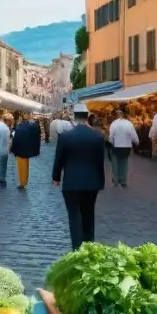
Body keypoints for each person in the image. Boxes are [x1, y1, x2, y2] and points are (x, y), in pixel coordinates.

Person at [52, 103, 106, 250]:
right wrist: (101, 181)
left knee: (74, 217)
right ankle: (89, 247)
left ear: (74, 117)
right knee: (89, 215)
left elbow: (59, 159)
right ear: (87, 117)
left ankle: (77, 248)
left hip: (71, 183)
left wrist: (56, 177)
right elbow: (100, 162)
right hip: (91, 183)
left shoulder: (66, 137)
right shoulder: (97, 137)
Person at [108, 109, 139, 188]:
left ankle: (116, 179)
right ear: (124, 115)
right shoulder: (128, 123)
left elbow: (111, 136)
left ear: (116, 115)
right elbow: (133, 134)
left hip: (116, 146)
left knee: (115, 163)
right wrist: (136, 142)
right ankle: (123, 180)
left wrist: (111, 143)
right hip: (126, 146)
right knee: (124, 163)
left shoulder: (113, 123)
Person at [12, 112, 42, 190]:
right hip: (27, 149)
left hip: (20, 149)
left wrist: (13, 148)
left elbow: (16, 139)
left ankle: (22, 183)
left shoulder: (20, 126)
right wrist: (36, 149)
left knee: (20, 167)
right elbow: (37, 138)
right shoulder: (33, 126)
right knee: (25, 166)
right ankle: (24, 182)